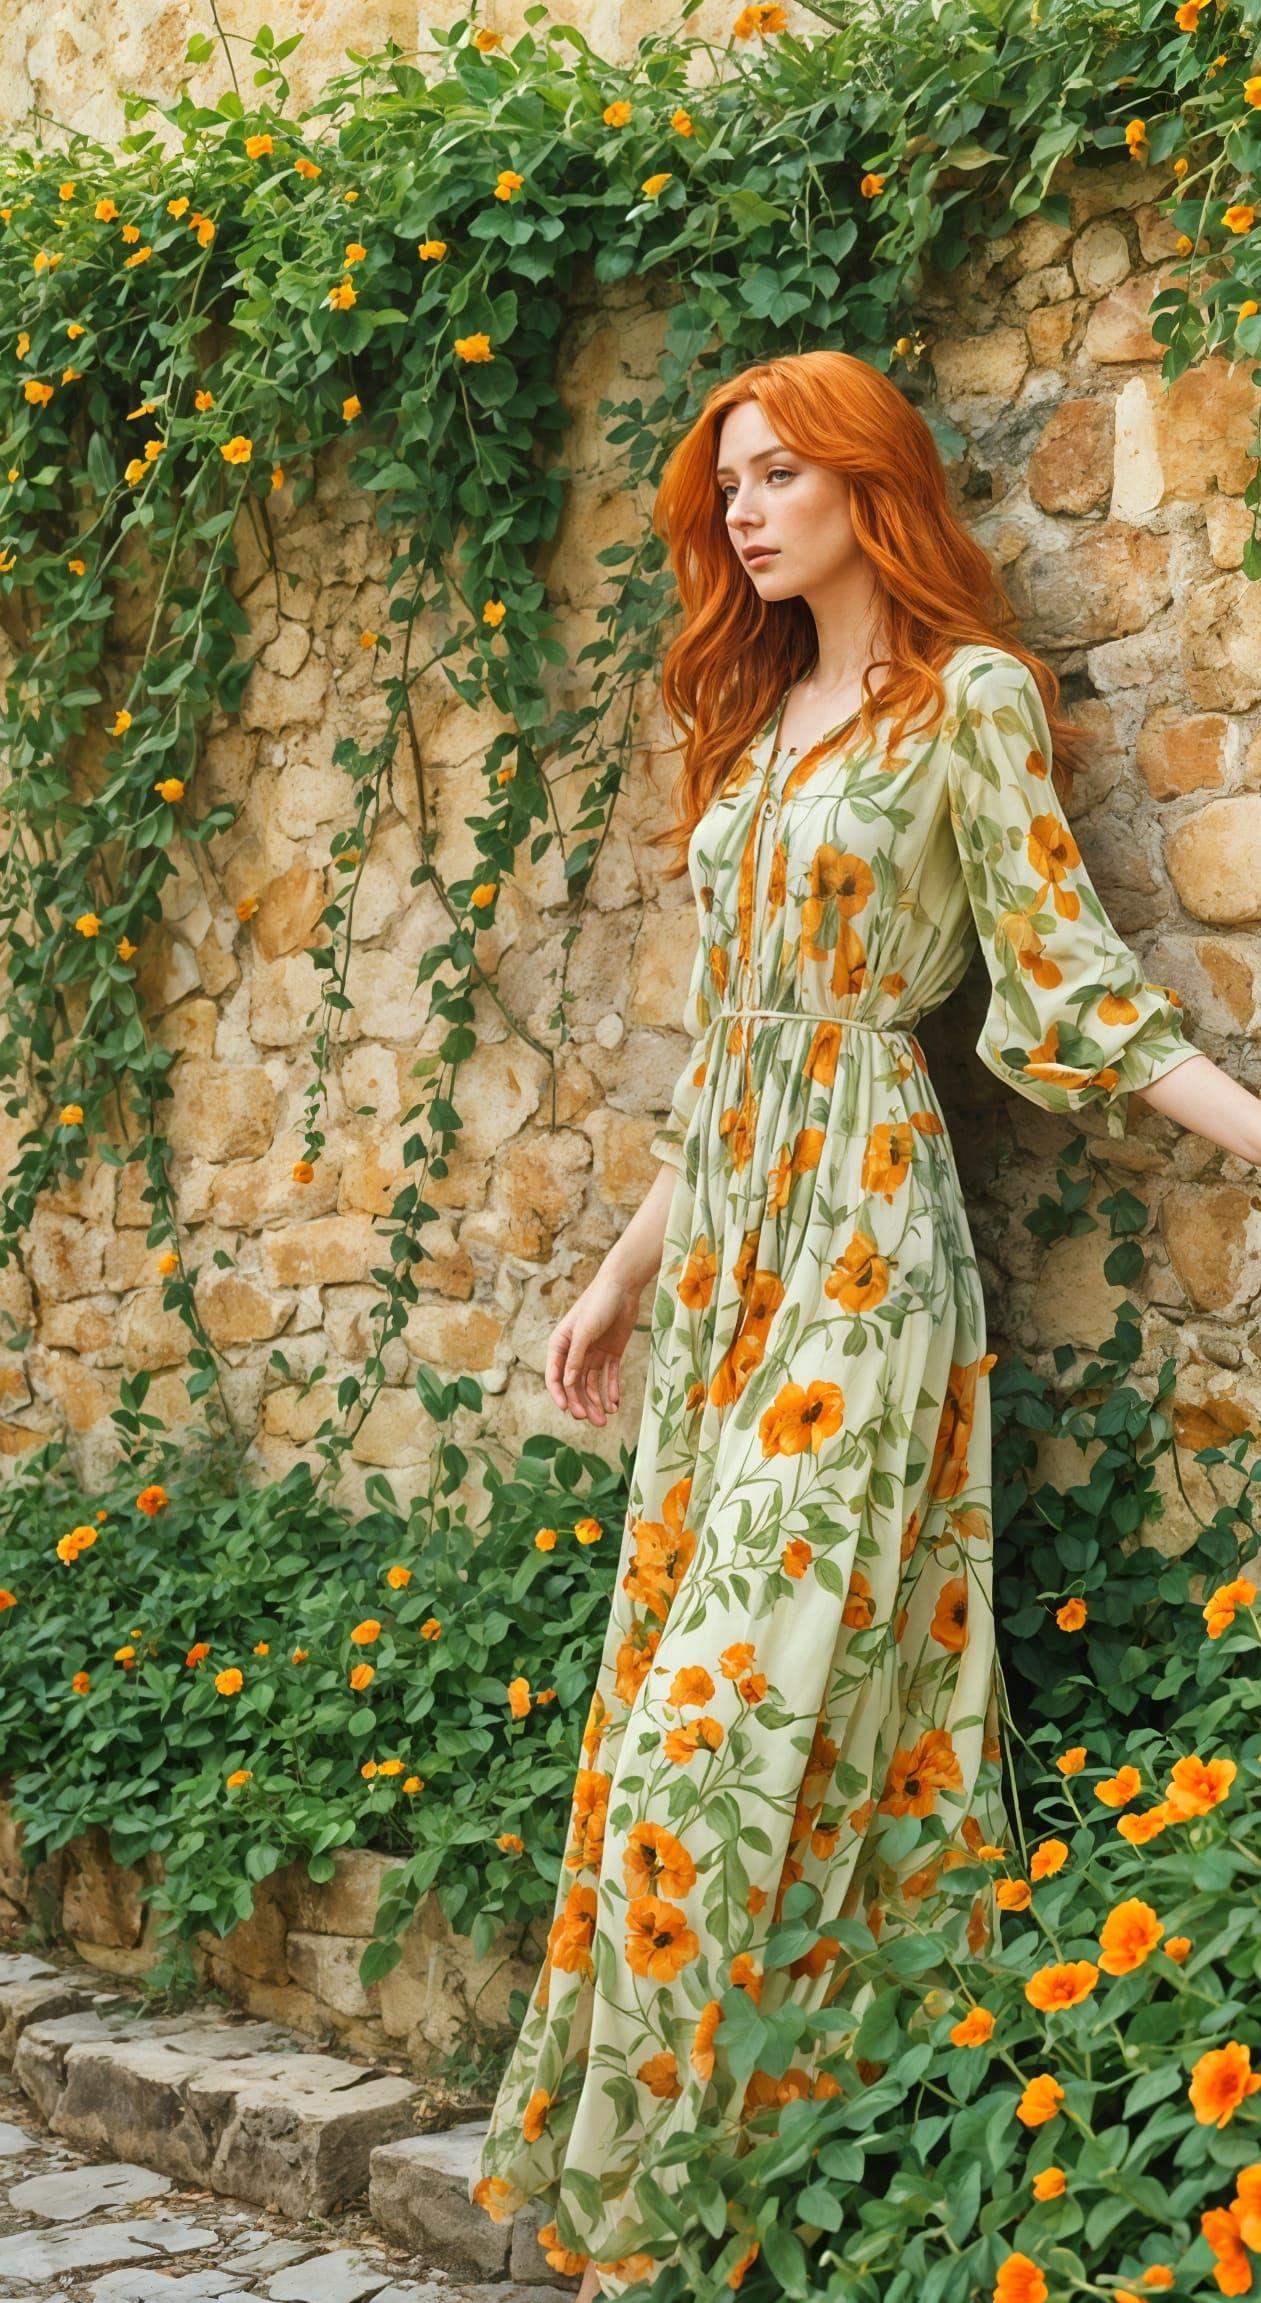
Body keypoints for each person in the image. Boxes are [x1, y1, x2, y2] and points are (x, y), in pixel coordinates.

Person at [469, 348, 1257, 2301]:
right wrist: (615, 1278)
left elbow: (1066, 979)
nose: (742, 509)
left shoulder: (964, 702)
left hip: (859, 1250)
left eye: (778, 474)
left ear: (862, 482)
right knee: (740, 1704)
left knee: (713, 1718)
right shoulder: (754, 724)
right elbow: (726, 1052)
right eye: (724, 482)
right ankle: (750, 2188)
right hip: (727, 1248)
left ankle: (748, 2173)